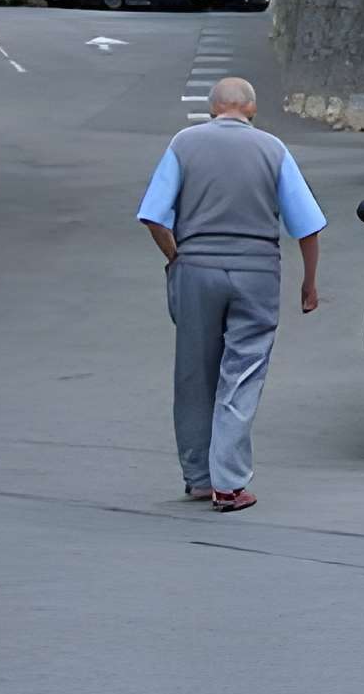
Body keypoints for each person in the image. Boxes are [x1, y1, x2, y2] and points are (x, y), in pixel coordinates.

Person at [135, 77, 325, 512]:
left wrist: (177, 257)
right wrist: (309, 283)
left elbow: (154, 216)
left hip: (197, 269)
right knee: (242, 372)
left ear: (212, 109)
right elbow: (308, 226)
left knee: (194, 372)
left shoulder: (184, 143)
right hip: (257, 271)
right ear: (253, 110)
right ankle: (229, 481)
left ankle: (200, 478)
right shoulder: (273, 149)